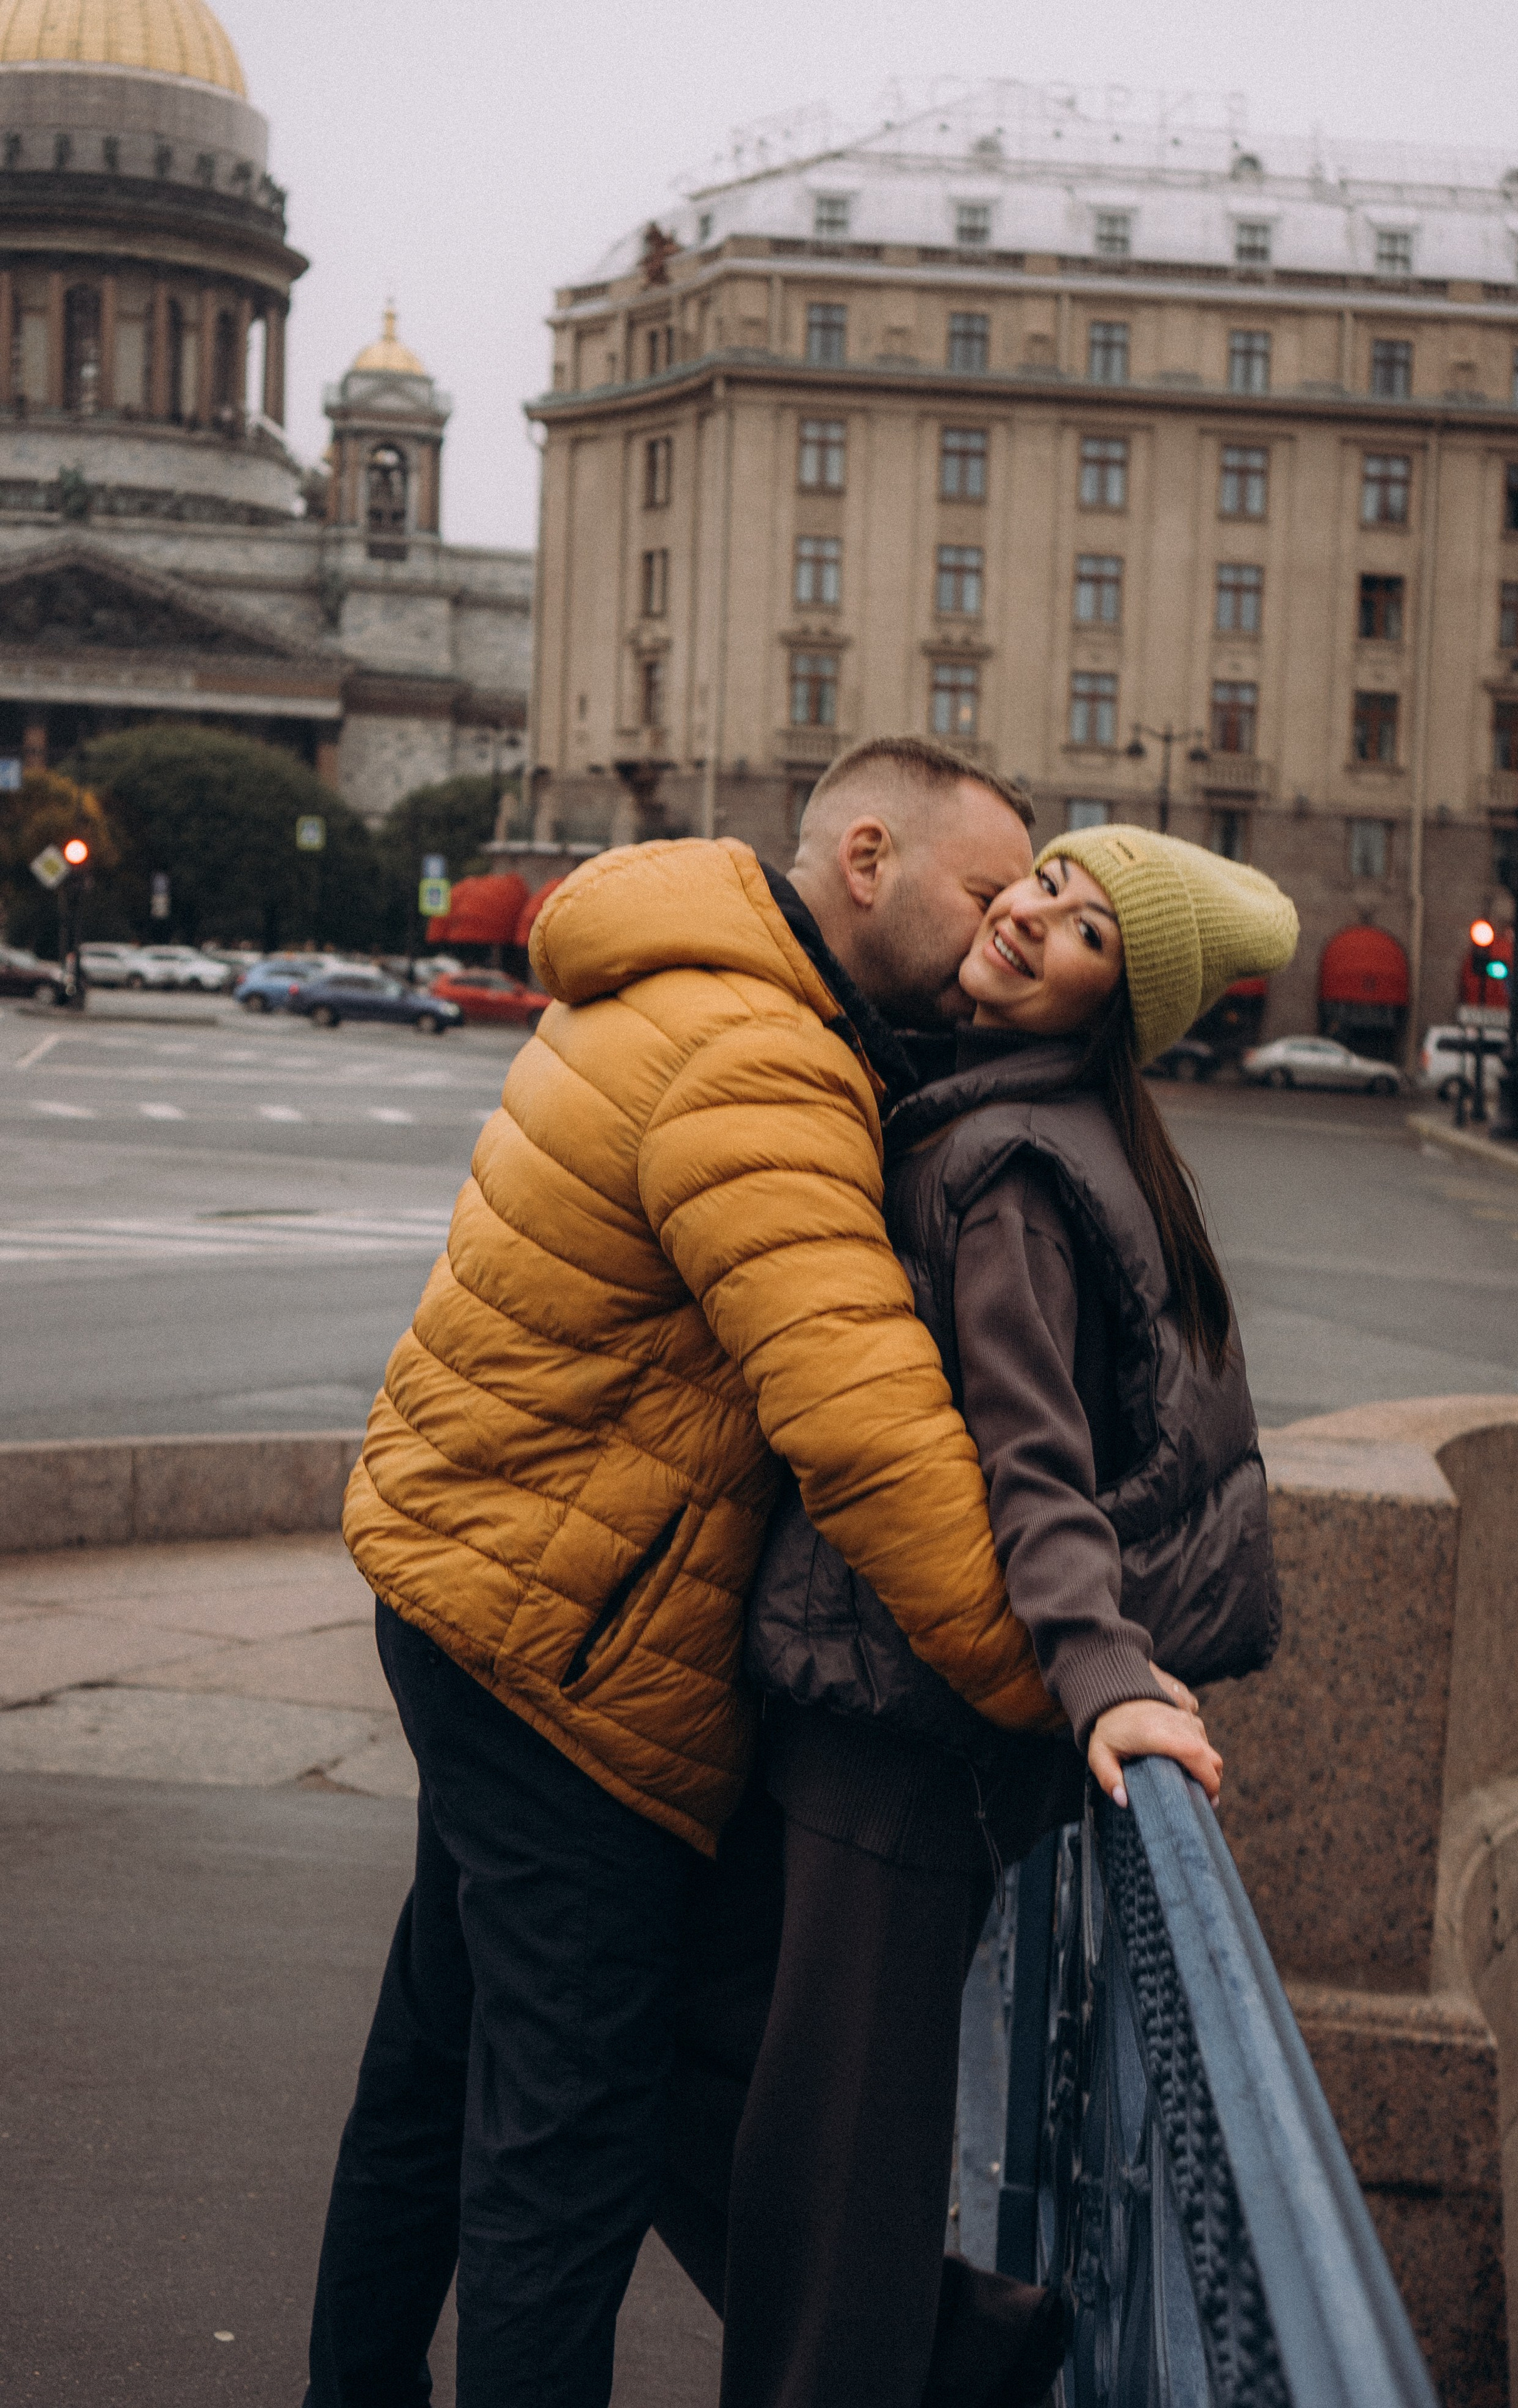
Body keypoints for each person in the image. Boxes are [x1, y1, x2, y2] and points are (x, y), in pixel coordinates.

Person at [306, 738, 1070, 2408]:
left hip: (477, 1586)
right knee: (560, 2153)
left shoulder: (691, 976)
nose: (1001, 927)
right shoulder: (760, 1061)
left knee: (434, 2072)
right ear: (868, 856)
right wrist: (1058, 1685)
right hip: (564, 1656)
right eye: (983, 888)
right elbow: (864, 1427)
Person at [657, 822, 1297, 2408]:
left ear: (1107, 1003)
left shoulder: (1004, 1165)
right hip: (880, 1712)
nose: (1029, 918)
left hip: (903, 1733)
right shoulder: (1016, 1117)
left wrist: (1096, 1674)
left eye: (1081, 932)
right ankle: (969, 2346)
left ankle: (919, 2354)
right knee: (724, 2084)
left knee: (838, 2171)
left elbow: (1034, 1462)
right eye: (1043, 884)